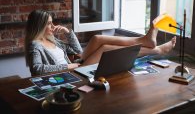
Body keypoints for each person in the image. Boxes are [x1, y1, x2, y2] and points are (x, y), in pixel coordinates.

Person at [25, 10, 176, 76]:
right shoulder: (35, 45)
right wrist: (68, 66)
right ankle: (156, 50)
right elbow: (37, 69)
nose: (52, 27)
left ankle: (145, 40)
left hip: (77, 64)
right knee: (106, 49)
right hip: (71, 73)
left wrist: (67, 32)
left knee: (98, 39)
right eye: (49, 24)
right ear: (39, 26)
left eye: (52, 23)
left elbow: (78, 51)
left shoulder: (51, 39)